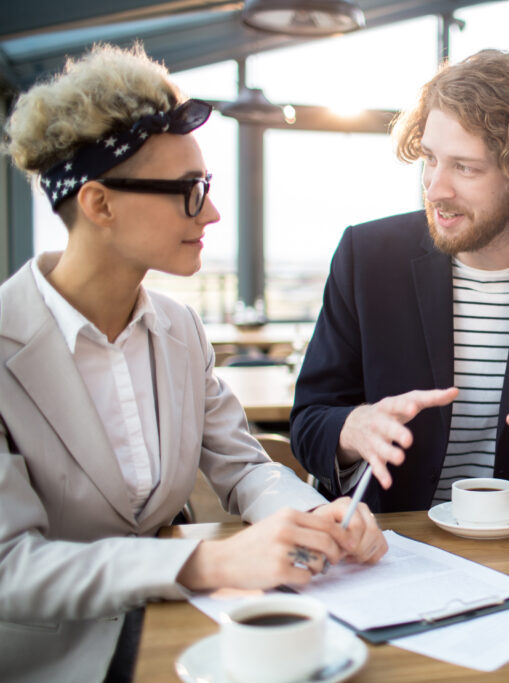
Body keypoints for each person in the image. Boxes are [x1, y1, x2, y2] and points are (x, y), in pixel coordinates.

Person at [0, 44, 387, 683]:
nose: (210, 212)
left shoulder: (180, 329)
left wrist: (311, 516)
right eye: (189, 192)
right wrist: (208, 565)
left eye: (204, 186)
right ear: (99, 204)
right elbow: (11, 567)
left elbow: (241, 468)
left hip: (180, 630)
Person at [291, 49, 509, 513]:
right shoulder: (367, 256)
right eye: (430, 159)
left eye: (465, 167)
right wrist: (352, 428)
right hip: (389, 539)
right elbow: (310, 422)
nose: (436, 188)